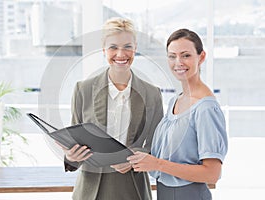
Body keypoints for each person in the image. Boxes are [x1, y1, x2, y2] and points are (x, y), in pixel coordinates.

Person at [62, 17, 163, 200]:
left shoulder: (152, 94)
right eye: (113, 47)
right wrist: (71, 155)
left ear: (135, 48)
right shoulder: (83, 90)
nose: (120, 54)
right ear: (103, 50)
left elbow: (157, 146)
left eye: (127, 46)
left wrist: (134, 158)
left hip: (133, 188)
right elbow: (75, 142)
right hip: (91, 190)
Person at [127, 29, 228, 200]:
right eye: (172, 56)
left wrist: (157, 164)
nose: (178, 62)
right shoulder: (176, 100)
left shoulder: (206, 108)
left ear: (201, 57)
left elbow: (212, 173)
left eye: (186, 55)